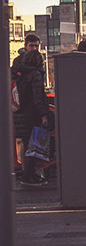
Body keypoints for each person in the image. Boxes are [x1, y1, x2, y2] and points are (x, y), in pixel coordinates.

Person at [12, 33, 48, 184]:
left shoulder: (19, 68)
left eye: (36, 46)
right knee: (33, 145)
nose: (34, 49)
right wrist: (44, 114)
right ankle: (29, 176)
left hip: (19, 111)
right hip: (31, 114)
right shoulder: (35, 73)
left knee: (26, 143)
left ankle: (28, 173)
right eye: (32, 46)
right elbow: (38, 96)